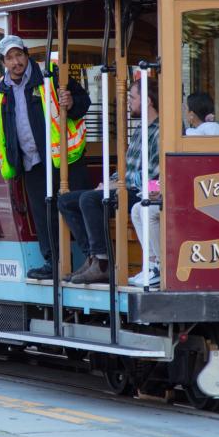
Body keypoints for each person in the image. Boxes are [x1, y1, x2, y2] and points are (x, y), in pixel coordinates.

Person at [0, 35, 90, 280]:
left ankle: (93, 260)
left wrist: (72, 101)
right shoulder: (0, 89)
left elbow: (82, 102)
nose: (16, 62)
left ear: (26, 55)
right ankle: (53, 263)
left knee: (77, 208)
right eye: (10, 58)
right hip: (32, 163)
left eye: (19, 55)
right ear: (3, 62)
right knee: (43, 213)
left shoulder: (51, 77)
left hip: (65, 159)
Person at [59, 77, 159, 285]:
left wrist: (115, 185)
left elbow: (153, 178)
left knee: (89, 200)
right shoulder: (140, 129)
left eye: (132, 97)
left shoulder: (160, 132)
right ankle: (93, 257)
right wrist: (107, 183)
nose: (129, 102)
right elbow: (126, 167)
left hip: (141, 193)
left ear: (147, 100)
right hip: (125, 187)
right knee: (65, 201)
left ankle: (103, 263)